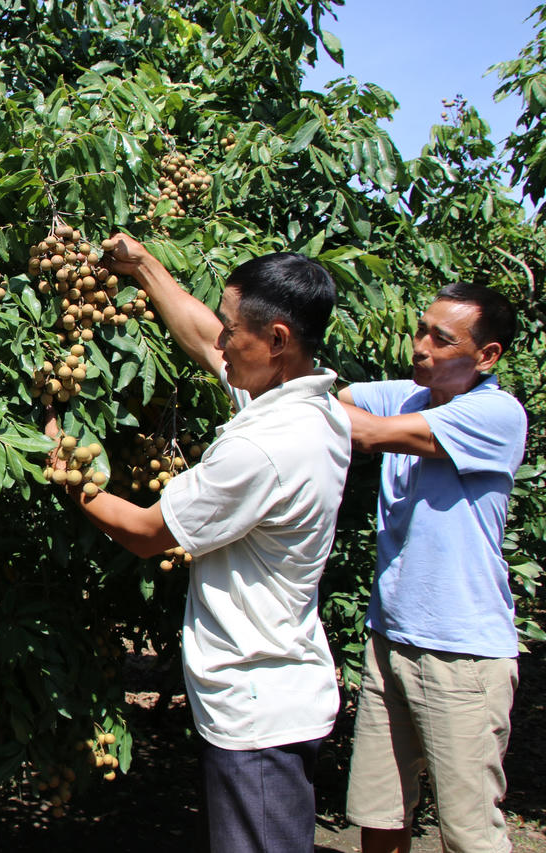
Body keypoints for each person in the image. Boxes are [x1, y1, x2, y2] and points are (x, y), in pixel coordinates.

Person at [50, 235, 352, 852]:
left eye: (232, 328)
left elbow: (144, 532)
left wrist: (58, 462)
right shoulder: (308, 405)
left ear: (275, 341)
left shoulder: (263, 447)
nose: (219, 341)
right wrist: (143, 267)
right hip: (272, 689)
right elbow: (198, 333)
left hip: (257, 707)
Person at [339, 282, 526, 853]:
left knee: (469, 832)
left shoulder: (495, 413)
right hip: (388, 635)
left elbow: (364, 430)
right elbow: (334, 397)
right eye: (421, 330)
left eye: (440, 340)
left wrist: (315, 405)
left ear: (487, 356)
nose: (419, 346)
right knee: (379, 813)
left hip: (461, 651)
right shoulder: (410, 395)